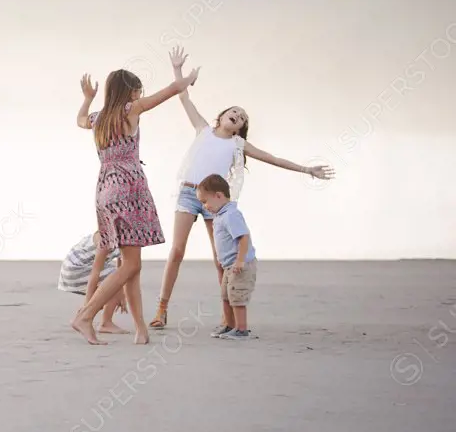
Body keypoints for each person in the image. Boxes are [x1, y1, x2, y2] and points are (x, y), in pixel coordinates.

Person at [148, 46, 334, 334]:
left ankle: (228, 318)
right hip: (188, 193)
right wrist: (177, 70)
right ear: (221, 117)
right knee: (176, 251)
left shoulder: (237, 145)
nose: (238, 115)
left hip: (216, 201)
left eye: (243, 117)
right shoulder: (203, 130)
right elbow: (183, 97)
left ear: (239, 129)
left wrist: (307, 169)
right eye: (234, 111)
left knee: (221, 258)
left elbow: (272, 158)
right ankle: (161, 310)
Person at [71, 61, 200, 345]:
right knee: (129, 265)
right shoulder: (130, 110)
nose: (139, 95)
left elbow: (80, 120)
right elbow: (168, 92)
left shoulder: (98, 118)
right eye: (137, 90)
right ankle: (86, 314)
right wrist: (187, 77)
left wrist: (87, 99)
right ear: (129, 92)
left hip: (105, 188)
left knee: (131, 263)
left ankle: (141, 330)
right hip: (127, 188)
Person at [195, 173, 258, 340]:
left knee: (237, 297)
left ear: (218, 195)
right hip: (229, 266)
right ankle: (230, 325)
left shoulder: (231, 215)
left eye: (205, 201)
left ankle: (242, 329)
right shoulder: (220, 215)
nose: (205, 206)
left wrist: (240, 260)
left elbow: (243, 237)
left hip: (240, 265)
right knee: (226, 295)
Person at [58, 231, 129, 334]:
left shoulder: (124, 237)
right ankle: (101, 321)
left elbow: (122, 266)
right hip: (76, 269)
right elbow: (95, 274)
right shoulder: (106, 236)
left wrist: (122, 294)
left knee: (116, 280)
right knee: (113, 278)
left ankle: (89, 316)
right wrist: (87, 306)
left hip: (74, 268)